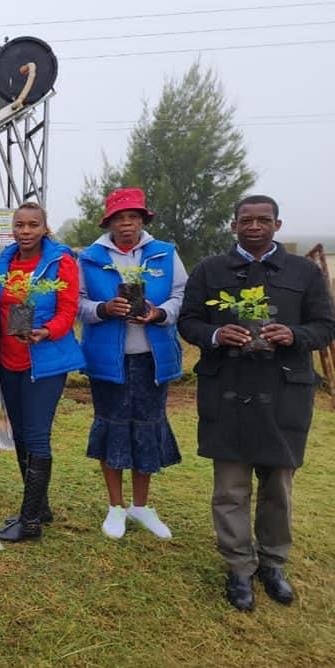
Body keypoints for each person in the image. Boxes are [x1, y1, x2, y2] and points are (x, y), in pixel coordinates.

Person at [178, 195, 335, 611]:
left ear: (277, 225)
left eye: (263, 220)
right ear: (233, 225)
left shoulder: (303, 272)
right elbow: (189, 320)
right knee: (229, 487)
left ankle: (272, 562)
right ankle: (239, 567)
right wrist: (215, 335)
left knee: (277, 486)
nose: (254, 226)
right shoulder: (211, 270)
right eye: (246, 220)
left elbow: (325, 325)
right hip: (227, 388)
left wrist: (295, 336)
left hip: (284, 391)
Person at [78, 187, 186, 540]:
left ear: (143, 220)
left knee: (147, 428)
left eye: (134, 217)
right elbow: (76, 302)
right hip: (108, 360)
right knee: (111, 427)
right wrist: (103, 309)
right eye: (120, 218)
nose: (127, 224)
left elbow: (181, 295)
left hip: (153, 360)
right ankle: (115, 506)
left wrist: (159, 314)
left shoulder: (164, 253)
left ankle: (141, 506)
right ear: (109, 222)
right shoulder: (90, 258)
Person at [0, 202, 85, 543]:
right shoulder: (5, 262)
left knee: (37, 434)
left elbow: (69, 308)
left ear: (45, 228)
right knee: (20, 434)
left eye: (32, 225)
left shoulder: (61, 261)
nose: (25, 231)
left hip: (44, 360)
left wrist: (48, 331)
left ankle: (29, 523)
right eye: (20, 225)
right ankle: (39, 506)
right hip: (8, 359)